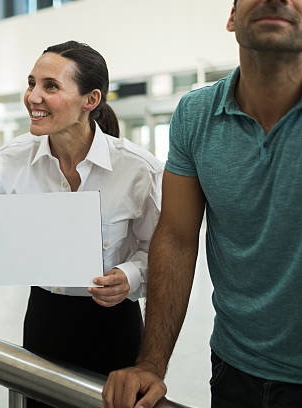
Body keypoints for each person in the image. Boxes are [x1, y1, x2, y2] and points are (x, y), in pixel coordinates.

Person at [0, 40, 163, 407]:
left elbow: (158, 250)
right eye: (31, 83)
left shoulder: (138, 169)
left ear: (90, 100)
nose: (33, 96)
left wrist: (131, 275)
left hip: (114, 325)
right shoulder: (12, 160)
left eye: (50, 86)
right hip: (45, 320)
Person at [103, 1, 302, 407]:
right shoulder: (197, 115)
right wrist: (151, 364)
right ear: (231, 18)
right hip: (235, 369)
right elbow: (176, 237)